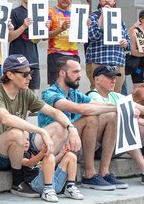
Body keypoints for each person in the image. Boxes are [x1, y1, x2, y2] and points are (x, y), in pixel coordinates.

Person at [0, 54, 82, 200]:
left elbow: (54, 112)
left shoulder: (25, 93)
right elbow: (5, 118)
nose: (30, 78)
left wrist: (72, 128)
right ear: (10, 74)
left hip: (20, 149)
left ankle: (44, 175)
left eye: (30, 73)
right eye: (25, 74)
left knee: (60, 127)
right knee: (17, 133)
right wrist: (40, 131)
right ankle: (18, 182)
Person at [41, 57, 126, 190]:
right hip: (55, 145)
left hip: (73, 142)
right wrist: (118, 107)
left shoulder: (74, 93)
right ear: (63, 73)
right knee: (90, 118)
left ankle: (104, 172)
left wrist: (124, 107)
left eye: (80, 72)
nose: (80, 76)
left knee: (111, 116)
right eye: (75, 72)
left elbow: (99, 105)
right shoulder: (50, 93)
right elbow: (81, 109)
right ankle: (89, 175)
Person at [88, 65, 144, 187]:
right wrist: (140, 120)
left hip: (116, 145)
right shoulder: (92, 96)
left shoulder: (116, 95)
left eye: (114, 77)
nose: (113, 80)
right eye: (109, 77)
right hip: (98, 147)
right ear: (97, 79)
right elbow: (116, 113)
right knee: (124, 119)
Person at [85, 0, 130, 92]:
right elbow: (93, 36)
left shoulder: (119, 19)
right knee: (98, 94)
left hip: (117, 62)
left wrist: (125, 43)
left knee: (116, 95)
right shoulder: (93, 17)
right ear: (100, 2)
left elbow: (128, 41)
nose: (107, 1)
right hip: (98, 62)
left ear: (114, 1)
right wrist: (103, 16)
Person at [21, 135, 84, 201]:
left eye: (28, 140)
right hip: (38, 184)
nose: (26, 142)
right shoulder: (20, 156)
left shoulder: (34, 152)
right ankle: (47, 190)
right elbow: (30, 163)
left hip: (54, 183)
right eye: (23, 140)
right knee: (49, 156)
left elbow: (51, 162)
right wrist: (42, 153)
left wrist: (62, 153)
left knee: (71, 156)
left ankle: (70, 187)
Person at [8, 0, 43, 91]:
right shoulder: (14, 12)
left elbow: (42, 39)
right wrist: (23, 26)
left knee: (33, 95)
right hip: (18, 60)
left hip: (33, 59)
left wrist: (46, 28)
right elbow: (9, 38)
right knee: (17, 93)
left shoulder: (39, 12)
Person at [47, 0, 79, 85]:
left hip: (73, 55)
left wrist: (86, 26)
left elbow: (83, 37)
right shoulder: (50, 12)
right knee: (55, 86)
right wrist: (61, 29)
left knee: (72, 86)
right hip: (55, 54)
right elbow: (44, 36)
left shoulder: (77, 13)